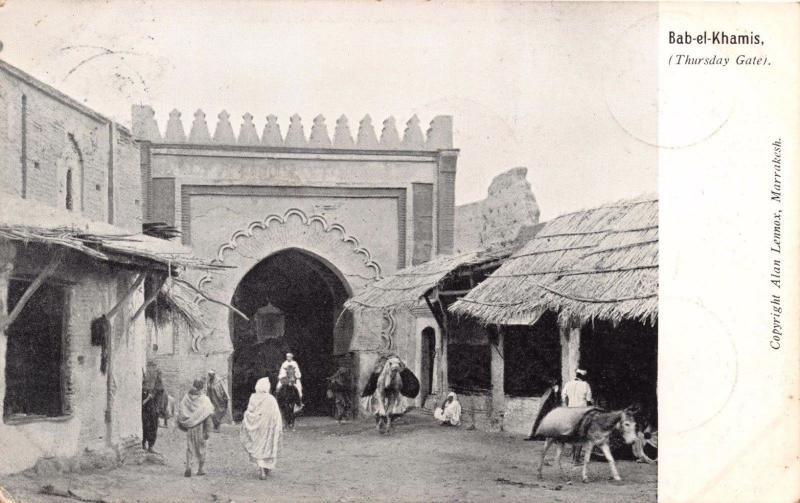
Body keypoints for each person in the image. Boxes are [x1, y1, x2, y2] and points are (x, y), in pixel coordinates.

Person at [240, 377, 283, 480]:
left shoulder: (253, 398)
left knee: (258, 446)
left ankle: (262, 470)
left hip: (257, 427)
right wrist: (277, 427)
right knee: (267, 446)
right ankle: (265, 468)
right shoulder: (271, 399)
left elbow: (250, 411)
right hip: (268, 428)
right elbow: (276, 415)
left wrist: (248, 418)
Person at [177, 379, 215, 477]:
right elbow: (208, 416)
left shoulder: (187, 397)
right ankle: (200, 469)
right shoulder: (204, 399)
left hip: (190, 427)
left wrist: (185, 422)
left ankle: (188, 466)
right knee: (202, 447)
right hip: (201, 427)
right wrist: (208, 431)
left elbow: (181, 409)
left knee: (190, 447)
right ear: (202, 387)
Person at [562, 369, 593, 463]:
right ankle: (576, 459)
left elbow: (564, 396)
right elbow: (588, 400)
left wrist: (568, 406)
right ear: (583, 377)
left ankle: (573, 456)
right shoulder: (586, 385)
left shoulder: (568, 384)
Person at [141, 362, 164, 452]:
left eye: (153, 367)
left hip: (153, 406)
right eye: (150, 366)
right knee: (144, 424)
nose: (151, 369)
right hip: (145, 407)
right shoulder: (145, 378)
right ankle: (142, 444)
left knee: (153, 425)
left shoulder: (158, 381)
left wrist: (148, 398)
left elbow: (158, 391)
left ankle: (151, 446)